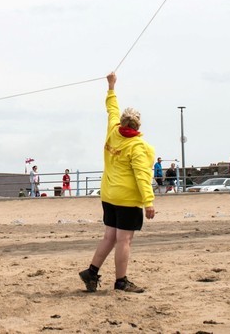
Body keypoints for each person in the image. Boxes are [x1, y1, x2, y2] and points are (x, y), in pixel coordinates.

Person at [78, 72, 155, 294]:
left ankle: (91, 272)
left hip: (109, 194)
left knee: (110, 236)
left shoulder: (114, 130)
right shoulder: (137, 147)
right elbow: (142, 176)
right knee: (124, 240)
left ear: (123, 122)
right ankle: (121, 281)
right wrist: (148, 202)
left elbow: (112, 108)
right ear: (138, 125)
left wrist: (111, 86)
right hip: (126, 198)